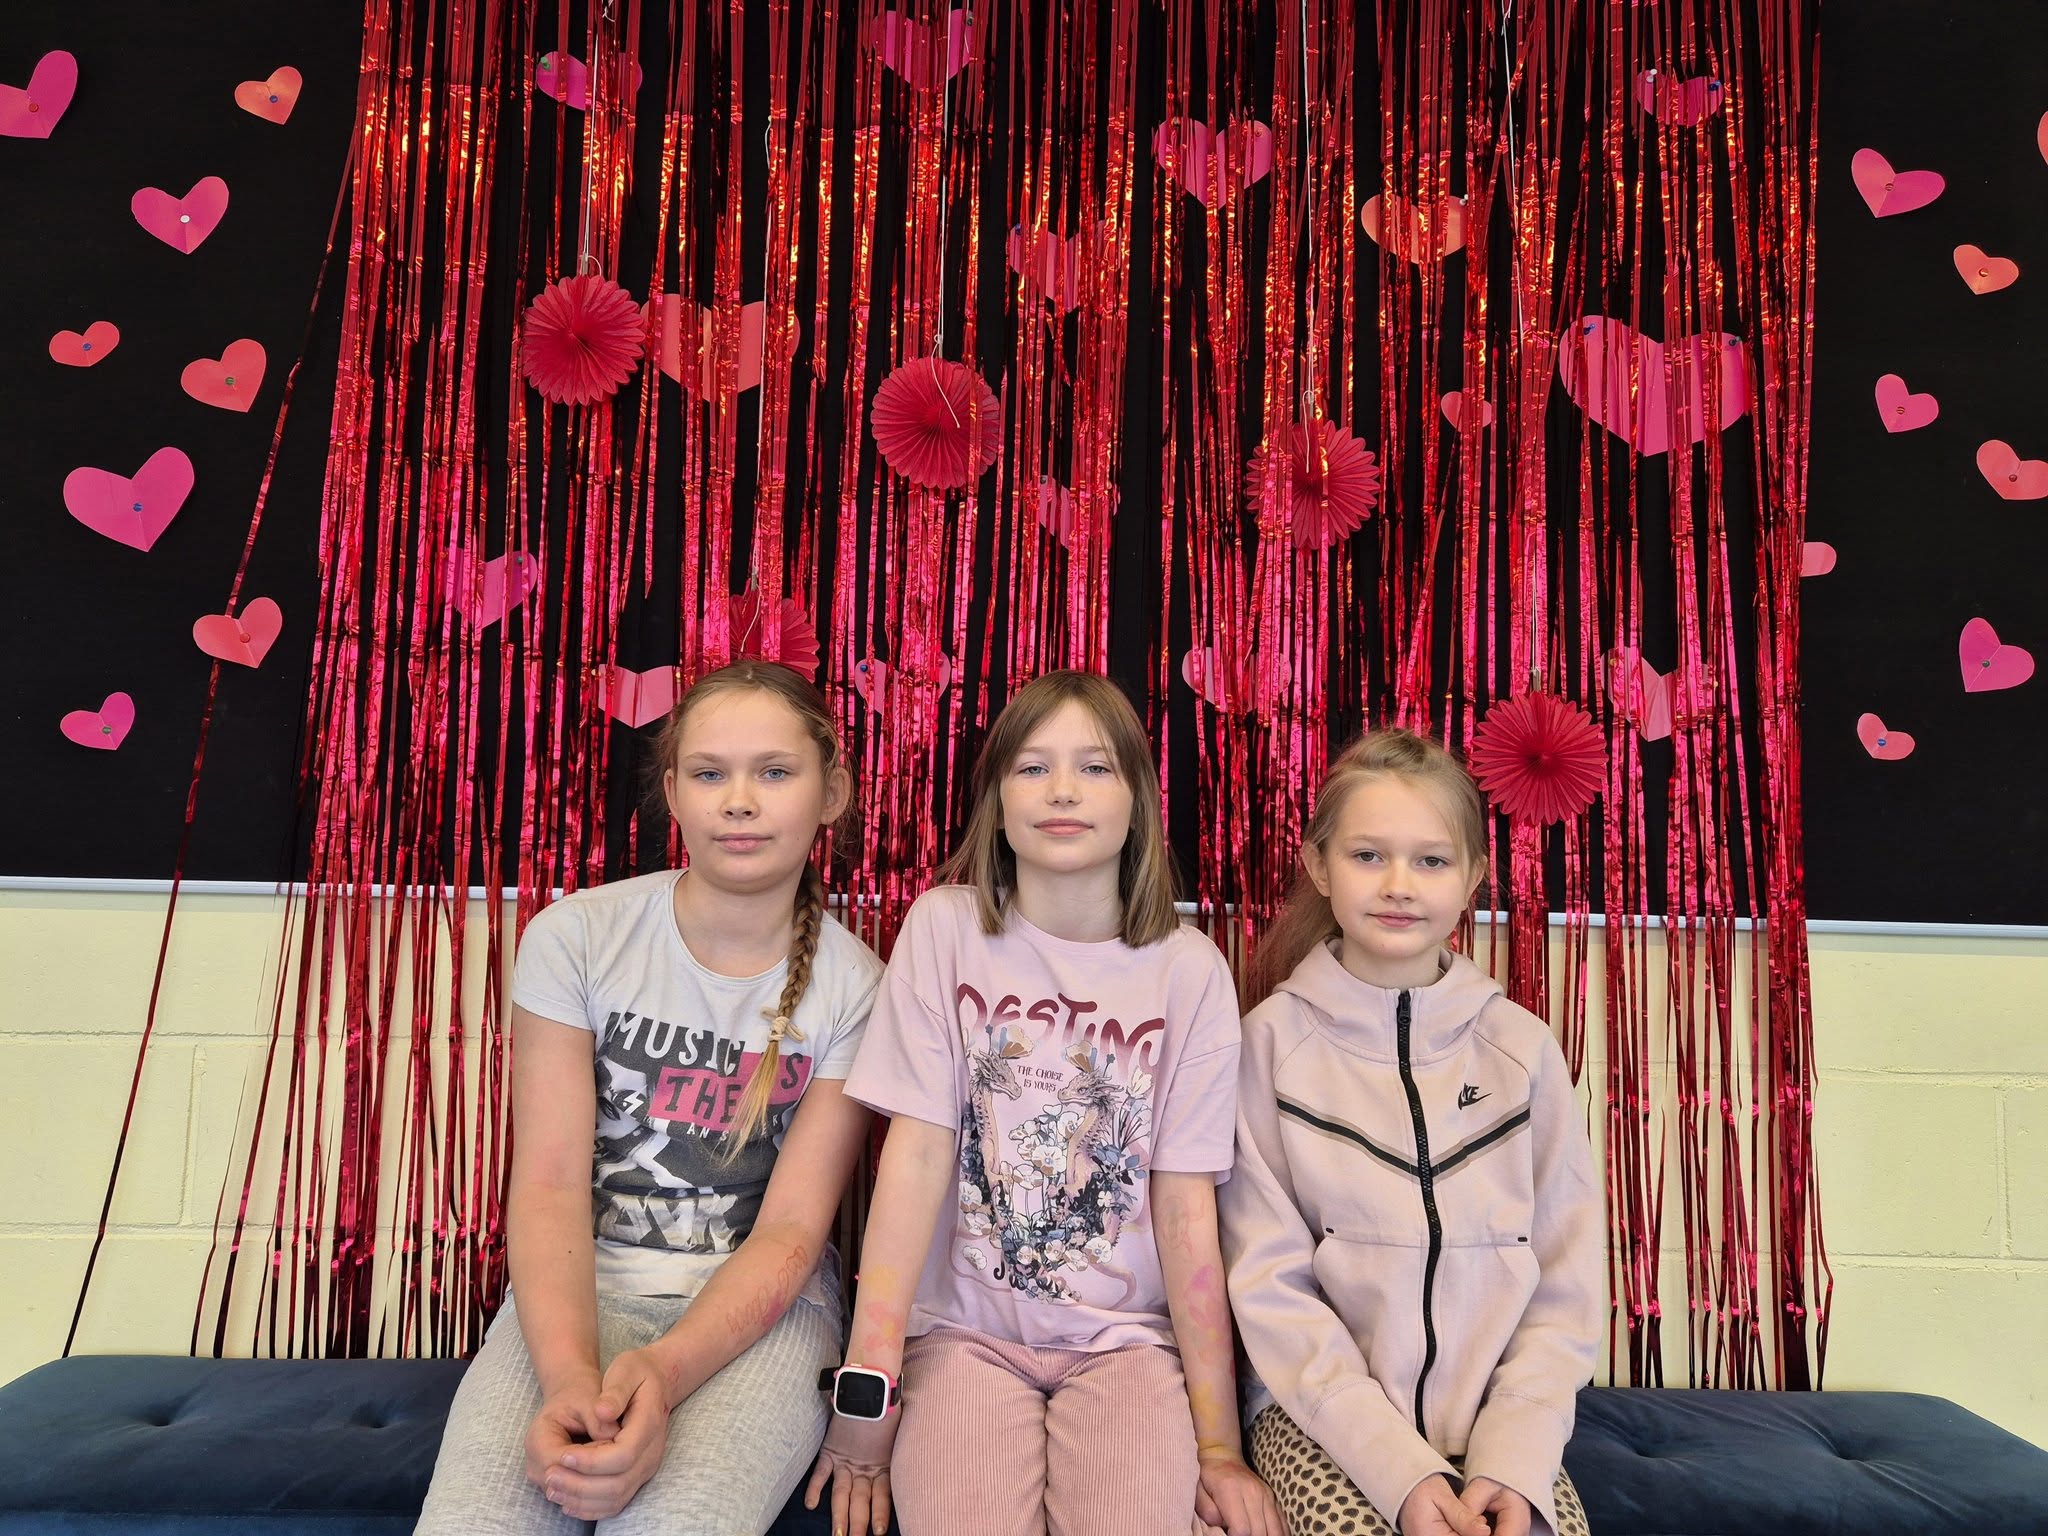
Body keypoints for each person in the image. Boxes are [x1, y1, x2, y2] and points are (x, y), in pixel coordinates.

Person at [807, 669, 1283, 1536]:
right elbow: (913, 1160)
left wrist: (1219, 1445)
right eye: (1032, 767)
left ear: (1139, 802)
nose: (1063, 789)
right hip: (962, 1339)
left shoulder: (1189, 972)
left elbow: (1185, 1212)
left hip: (1128, 1346)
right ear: (996, 803)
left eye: (1095, 767)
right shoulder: (945, 930)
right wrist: (868, 1391)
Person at [416, 661, 883, 1535]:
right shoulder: (576, 938)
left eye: (774, 772)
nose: (738, 801)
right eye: (708, 773)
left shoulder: (859, 987)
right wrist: (568, 1381)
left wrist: (663, 1375)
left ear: (832, 793)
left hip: (758, 1317)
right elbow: (548, 1182)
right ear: (672, 793)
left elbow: (790, 1232)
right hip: (577, 1292)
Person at [1220, 728, 1600, 1536]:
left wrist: (1512, 1455)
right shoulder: (1268, 1047)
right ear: (1320, 866)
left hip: (1494, 1426)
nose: (1399, 885)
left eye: (1431, 860)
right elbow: (1270, 1287)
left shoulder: (1524, 1050)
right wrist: (1400, 1469)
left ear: (1473, 878)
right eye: (1368, 856)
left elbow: (1564, 1291)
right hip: (1320, 1421)